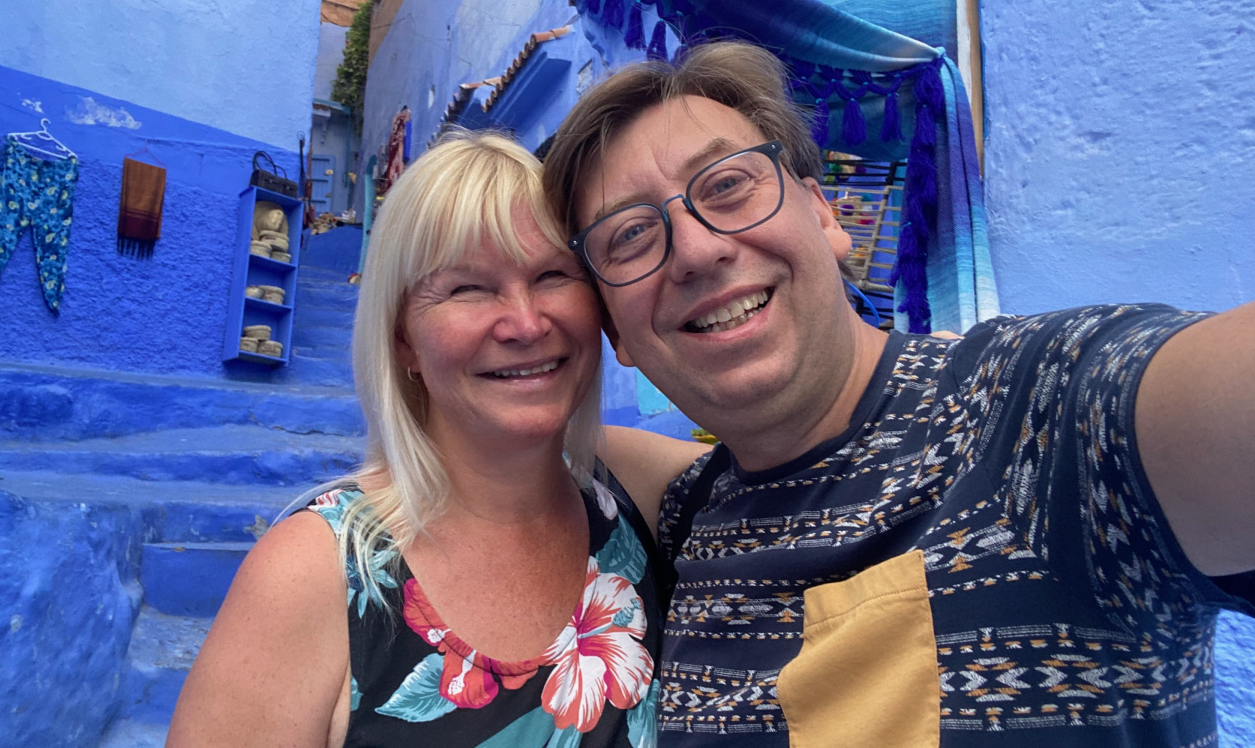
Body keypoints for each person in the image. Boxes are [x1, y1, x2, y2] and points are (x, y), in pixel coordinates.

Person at [541, 40, 1255, 747]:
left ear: (825, 216)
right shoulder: (691, 516)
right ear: (618, 336)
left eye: (728, 185)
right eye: (631, 236)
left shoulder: (1038, 416)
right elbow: (531, 431)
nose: (697, 250)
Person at [168, 130, 706, 747]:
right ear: (403, 340)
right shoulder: (313, 575)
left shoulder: (637, 491)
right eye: (467, 288)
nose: (527, 323)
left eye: (554, 275)